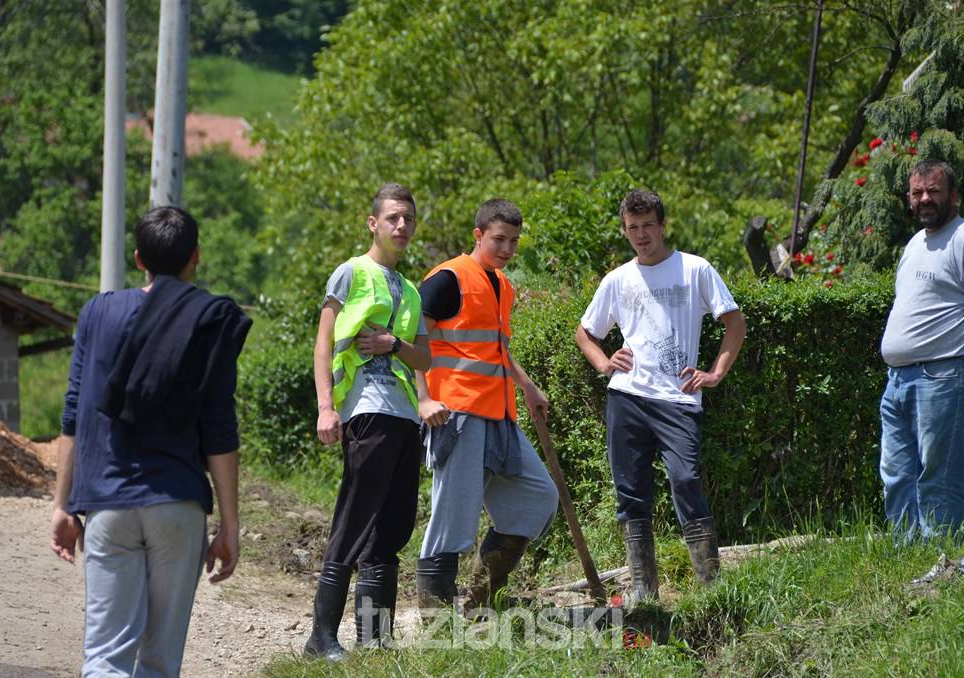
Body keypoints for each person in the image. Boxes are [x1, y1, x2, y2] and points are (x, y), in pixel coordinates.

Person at [50, 206, 251, 677]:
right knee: (159, 662)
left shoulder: (99, 311)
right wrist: (230, 524)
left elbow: (74, 412)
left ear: (139, 258)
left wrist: (62, 504)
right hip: (177, 504)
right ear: (195, 257)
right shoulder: (209, 319)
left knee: (104, 657)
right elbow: (220, 427)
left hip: (108, 504)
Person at [575, 189, 746, 597]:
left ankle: (711, 589)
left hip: (679, 398)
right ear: (625, 230)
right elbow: (585, 333)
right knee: (631, 494)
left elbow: (734, 324)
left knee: (686, 479)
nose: (640, 234)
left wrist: (715, 373)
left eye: (647, 225)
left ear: (663, 225)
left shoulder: (695, 269)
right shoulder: (617, 279)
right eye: (632, 227)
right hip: (627, 398)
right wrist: (603, 364)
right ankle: (643, 594)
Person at [305, 183, 431, 658]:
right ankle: (320, 638)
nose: (402, 226)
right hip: (364, 410)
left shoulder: (412, 290)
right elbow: (323, 341)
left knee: (393, 526)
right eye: (394, 218)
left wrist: (394, 345)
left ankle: (375, 639)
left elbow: (425, 358)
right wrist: (325, 406)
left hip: (403, 417)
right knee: (355, 518)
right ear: (373, 223)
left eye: (409, 220)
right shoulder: (351, 272)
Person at [415, 198, 558, 614]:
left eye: (514, 241)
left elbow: (497, 350)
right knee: (452, 519)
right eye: (499, 239)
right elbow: (413, 340)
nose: (508, 249)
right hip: (456, 413)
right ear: (478, 235)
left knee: (538, 496)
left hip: (500, 413)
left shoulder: (503, 286)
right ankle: (437, 622)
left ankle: (477, 600)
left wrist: (527, 385)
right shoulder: (448, 278)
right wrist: (424, 399)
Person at [879, 159, 964, 542]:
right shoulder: (915, 243)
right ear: (908, 197)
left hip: (946, 375)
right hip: (899, 380)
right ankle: (905, 557)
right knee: (897, 474)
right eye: (917, 192)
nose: (925, 199)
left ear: (954, 195)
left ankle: (940, 562)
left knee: (939, 475)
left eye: (933, 191)